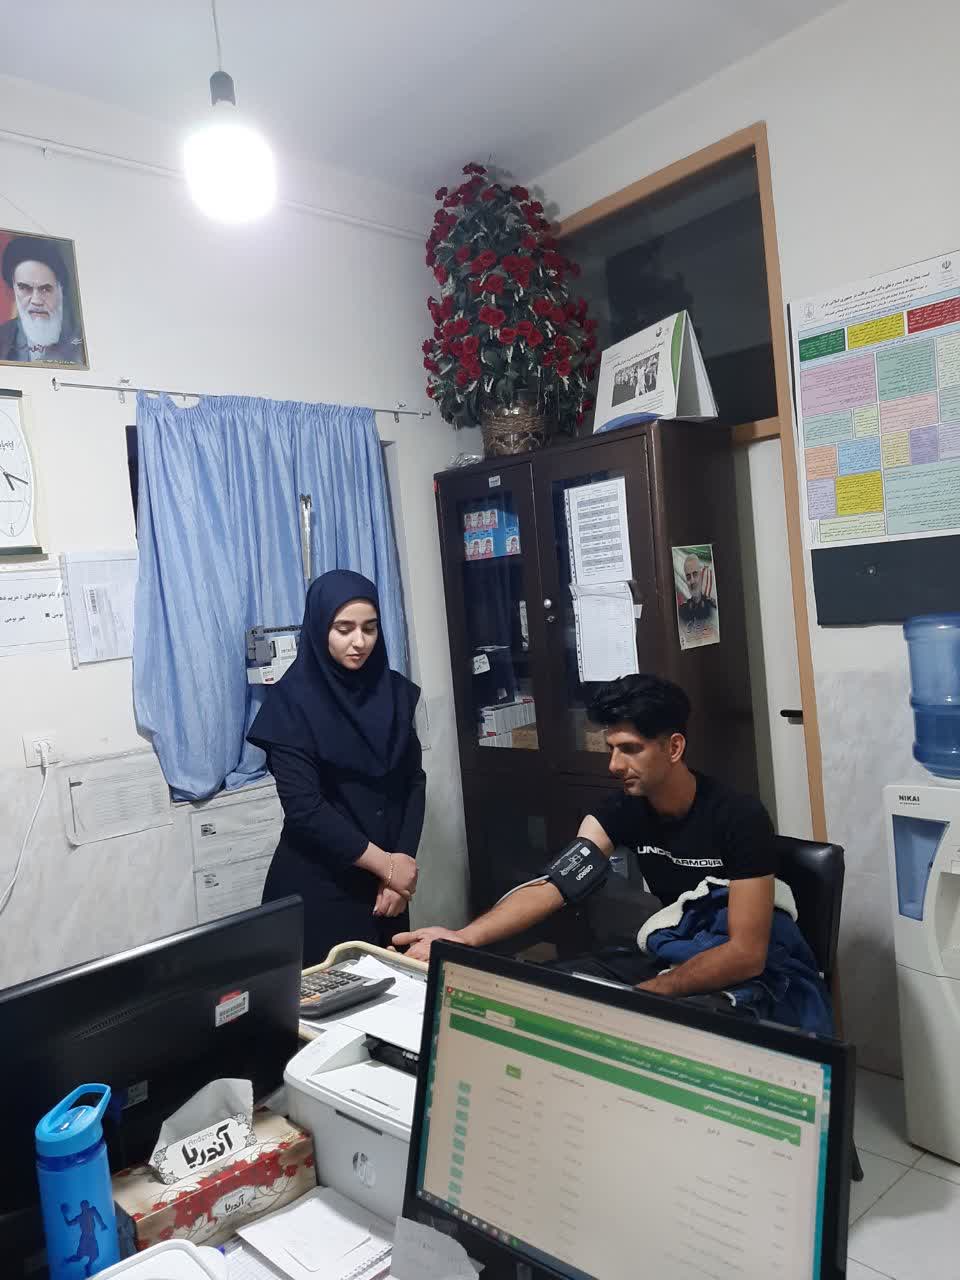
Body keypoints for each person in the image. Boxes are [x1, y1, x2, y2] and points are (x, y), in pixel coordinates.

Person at [394, 674, 831, 1031]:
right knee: (547, 995)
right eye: (611, 749)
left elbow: (746, 953)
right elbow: (555, 886)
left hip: (739, 971)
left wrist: (646, 996)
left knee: (645, 1023)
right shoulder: (620, 811)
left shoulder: (739, 816)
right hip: (674, 953)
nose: (614, 765)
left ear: (674, 748)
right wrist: (463, 938)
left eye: (630, 750)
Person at [248, 570, 425, 967]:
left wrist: (401, 866)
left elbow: (413, 782)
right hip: (320, 887)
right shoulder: (291, 705)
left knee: (393, 990)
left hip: (386, 890)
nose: (359, 641)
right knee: (324, 998)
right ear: (319, 628)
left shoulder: (393, 693)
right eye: (344, 629)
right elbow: (305, 809)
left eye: (369, 628)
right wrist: (388, 866)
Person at [0, 235, 85, 365]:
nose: (36, 301)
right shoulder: (3, 337)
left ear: (60, 291)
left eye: (45, 289)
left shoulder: (82, 342)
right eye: (25, 288)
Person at [677, 554, 717, 627]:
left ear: (701, 576)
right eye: (688, 577)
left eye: (695, 574)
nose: (692, 581)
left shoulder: (713, 609)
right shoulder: (681, 612)